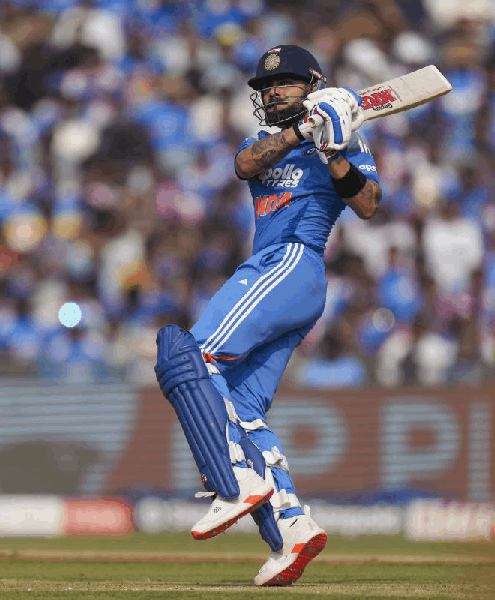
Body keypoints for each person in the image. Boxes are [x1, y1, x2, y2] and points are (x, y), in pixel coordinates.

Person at [154, 45, 382, 586]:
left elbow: (369, 203)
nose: (273, 91)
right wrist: (305, 134)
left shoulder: (345, 139)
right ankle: (290, 528)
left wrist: (333, 150)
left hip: (294, 260)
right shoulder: (264, 142)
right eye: (266, 86)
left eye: (286, 83)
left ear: (314, 84)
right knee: (236, 401)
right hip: (278, 270)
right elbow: (245, 166)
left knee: (189, 356)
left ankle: (233, 477)